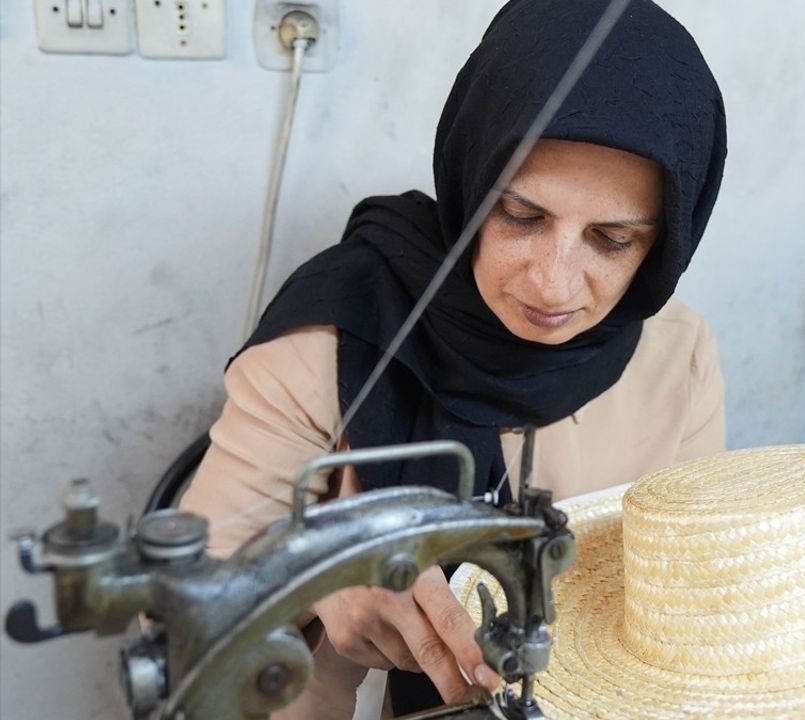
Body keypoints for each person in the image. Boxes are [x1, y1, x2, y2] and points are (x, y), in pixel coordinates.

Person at [178, 0, 728, 716]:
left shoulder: (676, 360)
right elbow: (179, 633)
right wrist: (311, 578)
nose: (552, 284)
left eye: (612, 239)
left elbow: (682, 607)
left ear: (665, 242)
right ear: (471, 176)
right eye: (522, 217)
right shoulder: (335, 343)